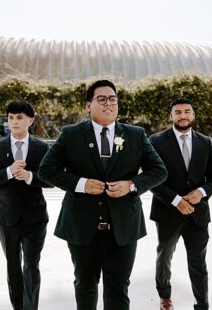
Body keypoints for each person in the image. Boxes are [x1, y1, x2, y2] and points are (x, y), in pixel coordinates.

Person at [37, 79, 167, 310]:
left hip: (124, 226)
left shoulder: (136, 135)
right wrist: (81, 184)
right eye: (102, 99)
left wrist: (132, 185)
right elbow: (46, 171)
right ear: (88, 105)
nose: (109, 104)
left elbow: (159, 171)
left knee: (118, 289)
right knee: (85, 285)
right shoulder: (71, 134)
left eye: (113, 99)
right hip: (81, 225)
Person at [149, 99, 212, 310]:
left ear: (193, 115)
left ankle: (202, 304)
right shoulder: (156, 141)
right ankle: (164, 296)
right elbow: (152, 177)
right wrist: (175, 200)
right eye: (178, 112)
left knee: (199, 262)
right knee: (165, 257)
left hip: (198, 213)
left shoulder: (205, 142)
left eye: (187, 111)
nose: (183, 116)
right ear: (171, 116)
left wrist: (201, 192)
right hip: (167, 211)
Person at [0, 100, 50, 310]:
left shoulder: (42, 147)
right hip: (7, 219)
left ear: (30, 120)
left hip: (35, 219)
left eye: (19, 117)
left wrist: (30, 176)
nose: (14, 122)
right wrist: (9, 172)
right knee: (13, 268)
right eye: (10, 118)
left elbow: (50, 180)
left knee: (31, 267)